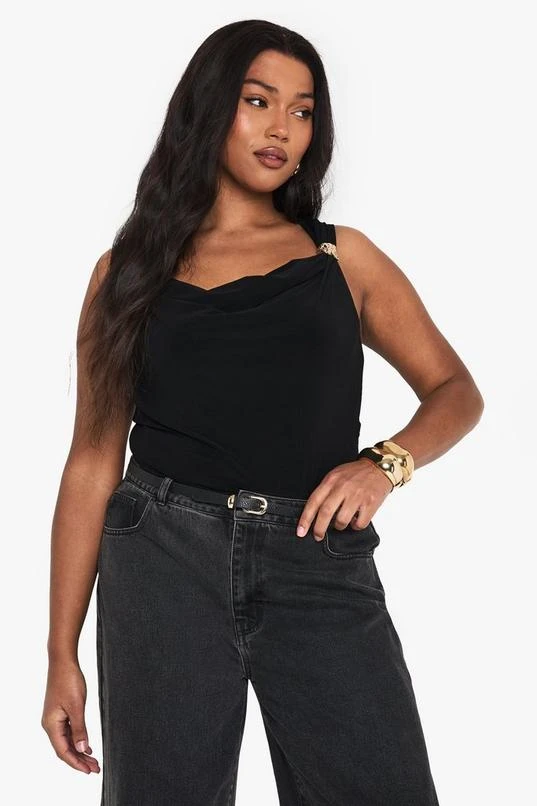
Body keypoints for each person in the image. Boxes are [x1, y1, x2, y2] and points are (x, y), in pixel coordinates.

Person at [41, 19, 484, 806]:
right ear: (210, 107)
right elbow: (91, 462)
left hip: (317, 556)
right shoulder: (127, 273)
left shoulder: (340, 259)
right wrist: (60, 655)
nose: (282, 127)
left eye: (303, 110)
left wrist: (383, 466)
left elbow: (454, 389)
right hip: (162, 557)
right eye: (258, 101)